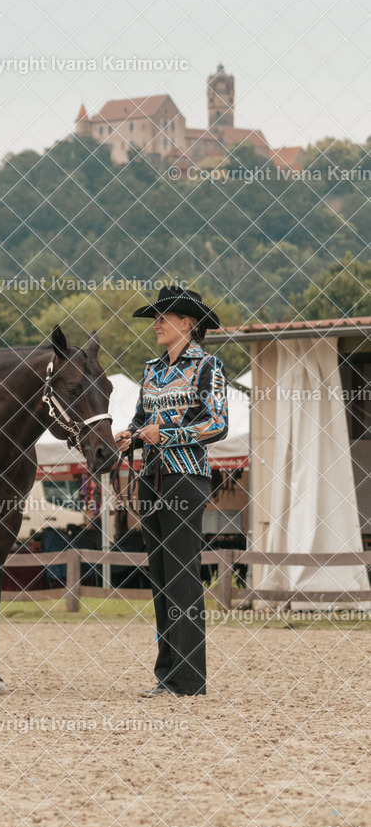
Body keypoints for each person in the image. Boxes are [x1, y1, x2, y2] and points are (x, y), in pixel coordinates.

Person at [115, 285, 228, 697]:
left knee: (182, 576)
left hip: (186, 478)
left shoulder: (208, 367)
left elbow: (217, 425)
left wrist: (167, 434)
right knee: (161, 577)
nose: (157, 324)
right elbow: (144, 418)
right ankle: (167, 675)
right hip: (151, 478)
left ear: (187, 324)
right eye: (156, 318)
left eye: (164, 317)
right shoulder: (151, 370)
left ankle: (189, 679)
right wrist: (133, 436)